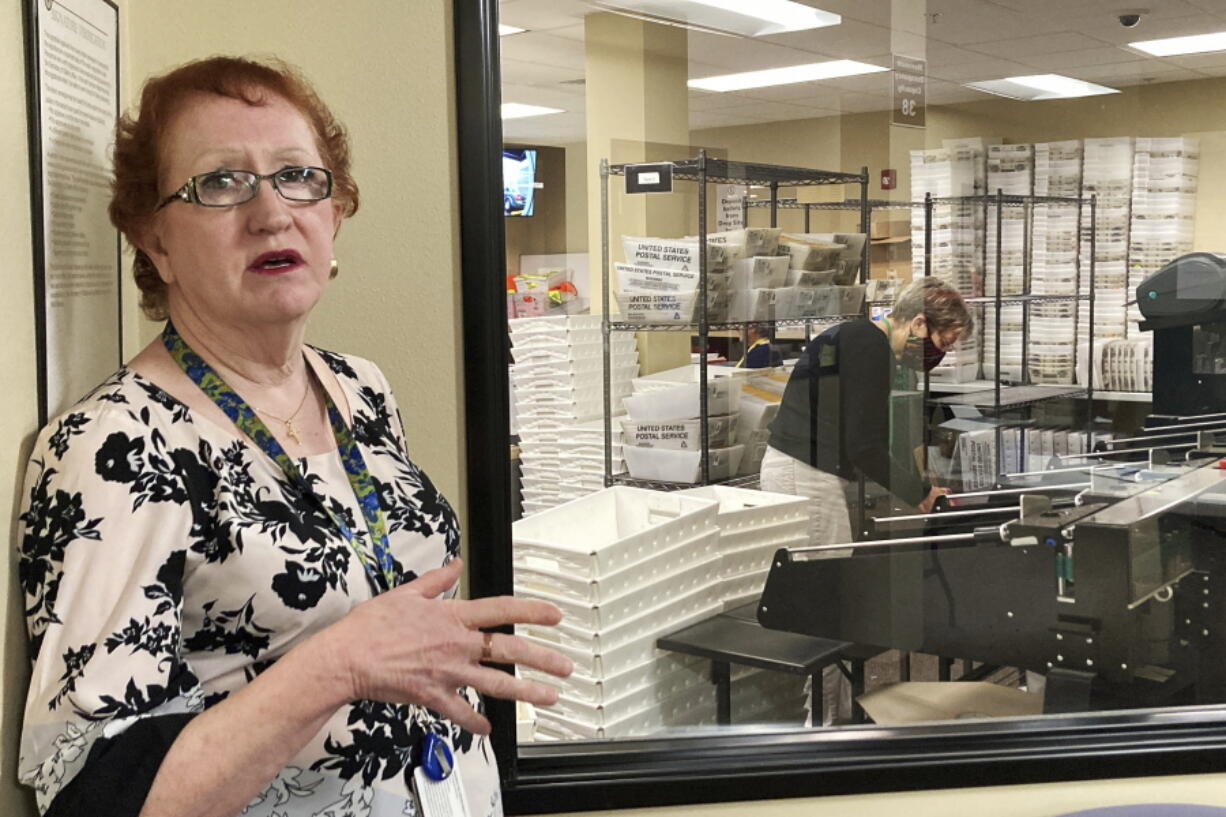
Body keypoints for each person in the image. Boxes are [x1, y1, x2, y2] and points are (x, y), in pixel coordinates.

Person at [16, 56, 571, 817]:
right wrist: (339, 664)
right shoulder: (112, 446)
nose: (272, 213)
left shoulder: (360, 387)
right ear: (155, 241)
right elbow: (90, 792)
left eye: (297, 176)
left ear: (334, 211)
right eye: (220, 182)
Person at [760, 277, 972, 549]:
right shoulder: (872, 350)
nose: (942, 353)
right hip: (806, 475)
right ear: (919, 323)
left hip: (796, 468)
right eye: (945, 342)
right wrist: (922, 493)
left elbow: (866, 434)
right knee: (823, 577)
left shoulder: (856, 335)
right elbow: (864, 446)